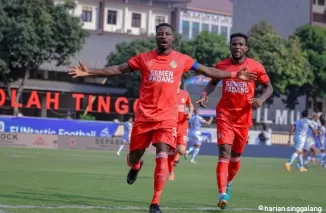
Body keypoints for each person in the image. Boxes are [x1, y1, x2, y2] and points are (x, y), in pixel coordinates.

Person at [68, 24, 257, 213]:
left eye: (167, 34)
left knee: (162, 154)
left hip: (167, 118)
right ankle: (136, 166)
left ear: (173, 38)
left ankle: (155, 202)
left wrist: (234, 74)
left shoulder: (182, 60)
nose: (164, 36)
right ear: (156, 37)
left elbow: (210, 71)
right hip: (144, 117)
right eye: (160, 34)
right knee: (134, 155)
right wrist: (89, 72)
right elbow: (118, 69)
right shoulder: (143, 59)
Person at [196, 33, 273, 209]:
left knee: (236, 156)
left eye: (240, 44)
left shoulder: (255, 67)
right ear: (230, 47)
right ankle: (222, 193)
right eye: (234, 44)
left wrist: (260, 100)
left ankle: (229, 182)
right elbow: (213, 82)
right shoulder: (222, 65)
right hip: (225, 115)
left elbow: (269, 87)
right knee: (224, 152)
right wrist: (203, 93)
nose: (237, 47)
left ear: (246, 48)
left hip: (244, 117)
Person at [168, 81, 194, 180]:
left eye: (178, 80)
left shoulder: (185, 94)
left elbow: (191, 105)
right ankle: (171, 173)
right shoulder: (168, 93)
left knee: (181, 150)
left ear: (180, 82)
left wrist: (190, 113)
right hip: (171, 125)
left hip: (182, 125)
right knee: (171, 151)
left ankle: (176, 156)